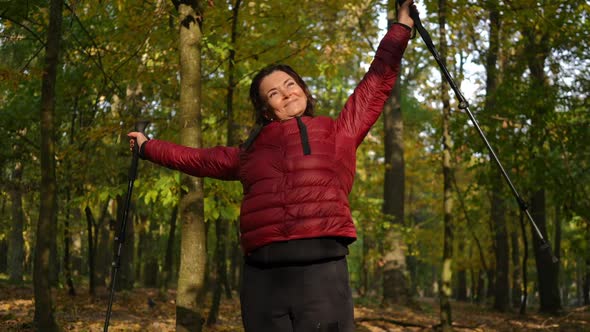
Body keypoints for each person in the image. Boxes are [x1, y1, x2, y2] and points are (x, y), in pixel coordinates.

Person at [128, 2, 415, 331]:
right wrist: (148, 147)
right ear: (266, 110)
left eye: (290, 84)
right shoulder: (248, 151)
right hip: (263, 278)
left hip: (323, 272)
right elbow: (198, 159)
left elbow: (375, 83)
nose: (286, 94)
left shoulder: (338, 132)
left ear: (303, 89)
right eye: (274, 93)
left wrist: (401, 27)